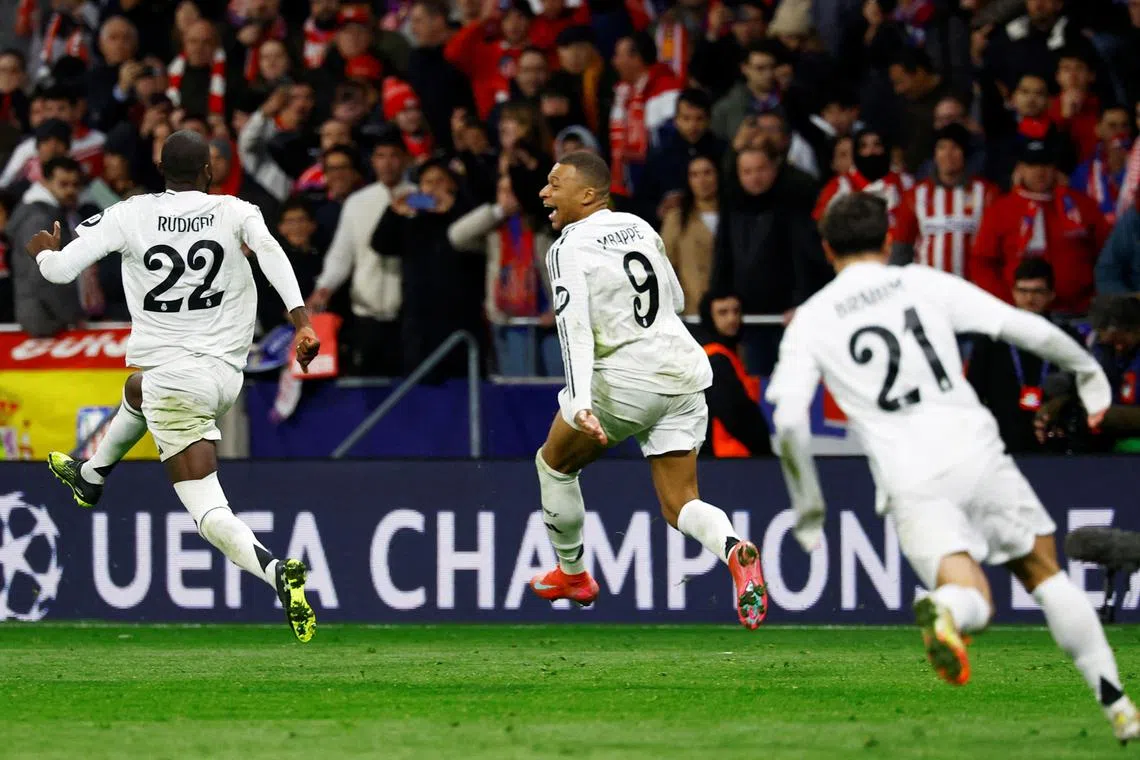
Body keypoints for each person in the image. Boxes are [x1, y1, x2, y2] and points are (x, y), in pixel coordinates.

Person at [765, 191, 1139, 743]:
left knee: (975, 604)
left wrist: (810, 508)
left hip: (909, 477)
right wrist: (1087, 371)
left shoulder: (811, 321)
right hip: (975, 450)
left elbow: (791, 421)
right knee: (1042, 572)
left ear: (826, 248)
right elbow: (1021, 327)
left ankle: (945, 607)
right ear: (888, 238)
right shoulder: (920, 281)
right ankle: (1119, 706)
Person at [29, 130, 320, 643]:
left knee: (207, 509)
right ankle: (92, 476)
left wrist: (45, 254)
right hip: (225, 375)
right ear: (209, 171)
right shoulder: (236, 210)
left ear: (161, 170)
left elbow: (59, 272)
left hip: (174, 381)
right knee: (137, 389)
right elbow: (272, 253)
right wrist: (302, 322)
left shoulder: (130, 213)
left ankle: (275, 572)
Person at [528, 150, 768, 630]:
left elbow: (572, 329)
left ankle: (573, 573)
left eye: (556, 184)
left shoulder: (567, 248)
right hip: (683, 372)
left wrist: (577, 402)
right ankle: (733, 548)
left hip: (627, 379)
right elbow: (675, 299)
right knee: (680, 503)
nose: (544, 192)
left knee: (553, 466)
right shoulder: (640, 226)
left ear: (589, 194)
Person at [970, 136, 1109, 315]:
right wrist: (1007, 302)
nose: (1039, 172)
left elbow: (1106, 257)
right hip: (1019, 314)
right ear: (1020, 169)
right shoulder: (1000, 210)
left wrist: (1093, 297)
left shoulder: (1082, 206)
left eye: (1045, 165)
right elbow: (982, 263)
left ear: (1055, 168)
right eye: (1032, 165)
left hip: (1078, 311)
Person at [966, 259, 1079, 453]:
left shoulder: (1068, 338)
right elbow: (973, 391)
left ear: (1051, 294)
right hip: (1002, 439)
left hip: (1054, 437)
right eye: (1023, 291)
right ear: (1013, 293)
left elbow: (1081, 388)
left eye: (1037, 292)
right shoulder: (992, 338)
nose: (1029, 299)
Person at [698, 289, 771, 457]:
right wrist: (763, 450)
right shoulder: (715, 358)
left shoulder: (728, 353)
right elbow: (735, 415)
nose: (732, 318)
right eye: (723, 312)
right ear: (710, 317)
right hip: (729, 456)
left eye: (736, 311)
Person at [661, 154, 719, 315]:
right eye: (694, 175)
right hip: (692, 309)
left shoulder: (735, 215)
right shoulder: (676, 218)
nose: (702, 180)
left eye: (707, 173)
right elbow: (665, 263)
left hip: (730, 309)